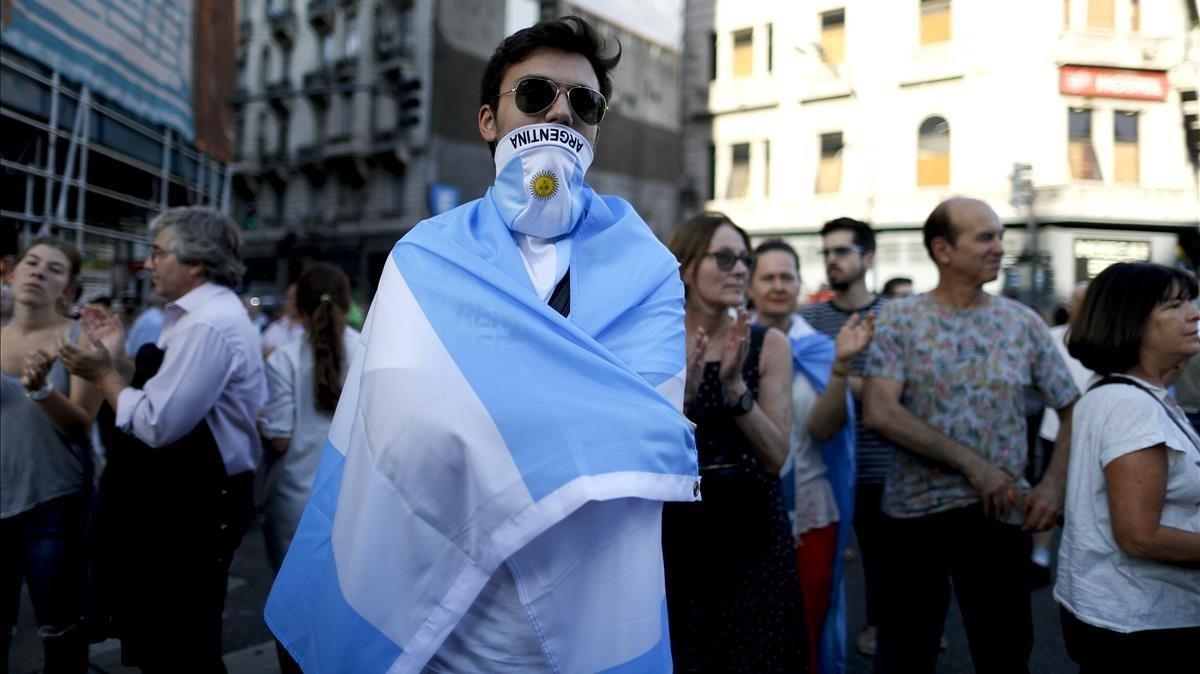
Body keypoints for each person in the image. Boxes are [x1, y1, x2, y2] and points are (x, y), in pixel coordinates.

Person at [265, 16, 698, 673]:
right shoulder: (423, 258)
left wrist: (480, 417)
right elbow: (400, 435)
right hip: (435, 625)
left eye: (584, 102)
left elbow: (645, 435)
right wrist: (560, 422)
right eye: (534, 95)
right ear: (488, 121)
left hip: (574, 627)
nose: (560, 110)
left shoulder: (650, 269)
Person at [861, 197, 1080, 674]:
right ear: (942, 249)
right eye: (986, 237)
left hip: (999, 518)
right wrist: (973, 465)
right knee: (904, 657)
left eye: (1000, 235)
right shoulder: (900, 319)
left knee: (1004, 655)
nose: (1000, 247)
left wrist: (1052, 486)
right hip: (913, 517)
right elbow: (879, 411)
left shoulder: (1021, 323)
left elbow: (1072, 404)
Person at [59, 207, 265, 670]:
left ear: (194, 262)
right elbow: (159, 388)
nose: (148, 263)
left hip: (195, 505)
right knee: (167, 637)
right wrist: (115, 353)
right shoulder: (190, 315)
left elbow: (156, 422)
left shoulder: (208, 322)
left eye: (158, 253)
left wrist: (102, 371)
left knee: (181, 645)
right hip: (179, 499)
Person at [661, 213, 806, 672]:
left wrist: (734, 389)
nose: (740, 270)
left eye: (745, 259)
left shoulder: (768, 344)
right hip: (674, 534)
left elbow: (777, 456)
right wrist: (680, 397)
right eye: (724, 258)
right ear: (685, 267)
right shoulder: (652, 341)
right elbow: (631, 448)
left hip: (752, 536)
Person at [1054, 262, 1200, 671]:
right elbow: (1140, 536)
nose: (1194, 313)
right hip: (1142, 627)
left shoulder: (1125, 391)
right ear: (1132, 323)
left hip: (1122, 616)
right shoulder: (1130, 405)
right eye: (1175, 305)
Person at [747, 238, 874, 674]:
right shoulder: (730, 343)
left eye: (787, 277)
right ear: (749, 284)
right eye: (768, 277)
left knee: (806, 623)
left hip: (809, 509)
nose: (779, 286)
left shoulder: (820, 348)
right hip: (744, 510)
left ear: (800, 285)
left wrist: (841, 367)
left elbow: (823, 429)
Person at [1, 238, 103, 672]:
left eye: (54, 269)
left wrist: (40, 389)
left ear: (68, 290)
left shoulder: (80, 338)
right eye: (32, 262)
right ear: (10, 272)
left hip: (53, 505)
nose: (39, 272)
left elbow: (81, 423)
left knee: (60, 634)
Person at [798, 217, 894, 657]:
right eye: (827, 252)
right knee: (821, 563)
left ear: (867, 258)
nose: (832, 260)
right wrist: (864, 382)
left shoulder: (892, 318)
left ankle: (881, 627)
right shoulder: (807, 318)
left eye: (842, 252)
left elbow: (898, 396)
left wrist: (838, 376)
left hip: (880, 464)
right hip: (819, 460)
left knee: (883, 564)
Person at [260, 263, 360, 673]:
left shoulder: (282, 358)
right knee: (348, 612)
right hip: (356, 499)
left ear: (297, 310)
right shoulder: (372, 350)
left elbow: (279, 438)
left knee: (295, 616)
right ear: (348, 303)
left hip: (294, 504)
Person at [1029, 282, 1093, 587]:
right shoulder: (1051, 339)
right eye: (1080, 300)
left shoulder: (1109, 342)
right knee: (1050, 491)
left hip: (1096, 433)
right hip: (1055, 431)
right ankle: (1039, 558)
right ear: (1069, 305)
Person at [261, 283, 305, 358]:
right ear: (285, 301)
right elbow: (259, 353)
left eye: (297, 298)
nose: (294, 302)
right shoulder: (274, 327)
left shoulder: (312, 329)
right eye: (290, 298)